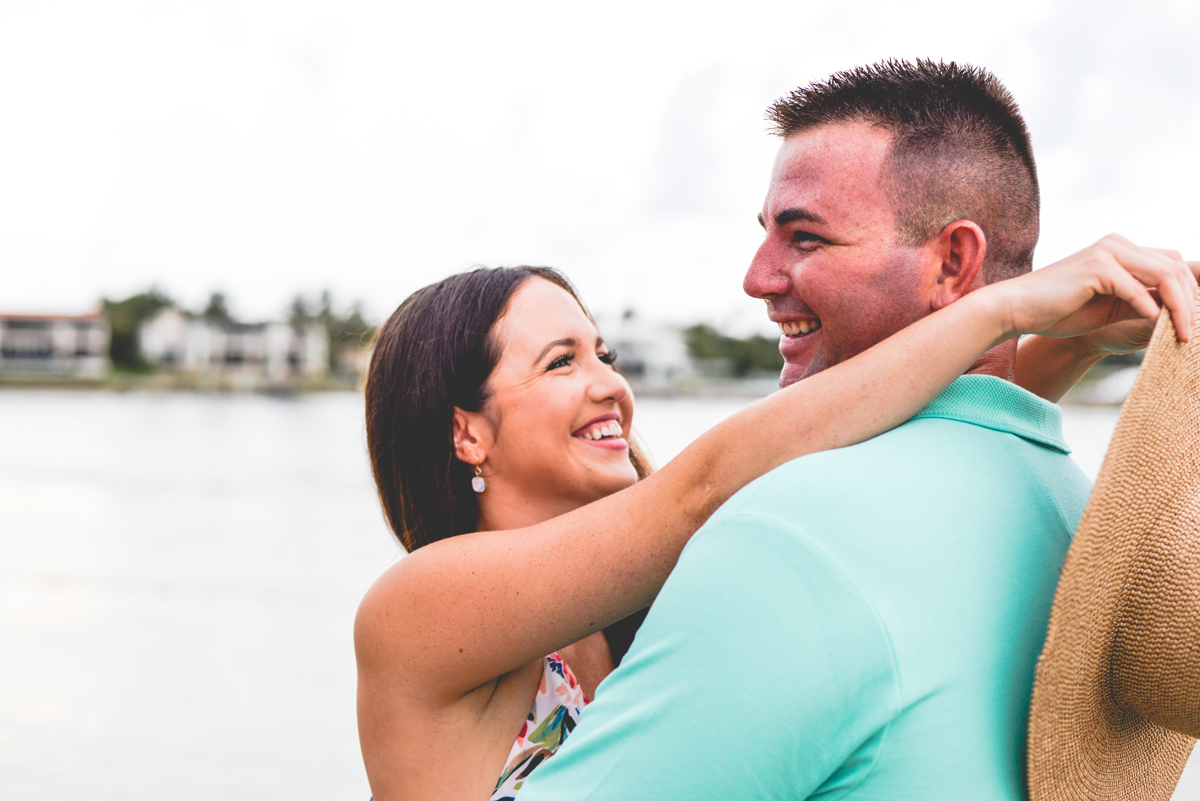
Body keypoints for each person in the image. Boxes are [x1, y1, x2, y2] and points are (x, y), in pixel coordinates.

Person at [514, 60, 1200, 800]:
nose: (757, 276)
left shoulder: (797, 532)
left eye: (804, 238)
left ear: (954, 262)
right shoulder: (1078, 519)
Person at [356, 255, 1193, 800]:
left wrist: (1066, 347)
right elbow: (707, 482)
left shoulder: (634, 605)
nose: (611, 384)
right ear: (467, 430)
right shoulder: (415, 611)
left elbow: (850, 445)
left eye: (603, 352)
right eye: (562, 361)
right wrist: (999, 309)